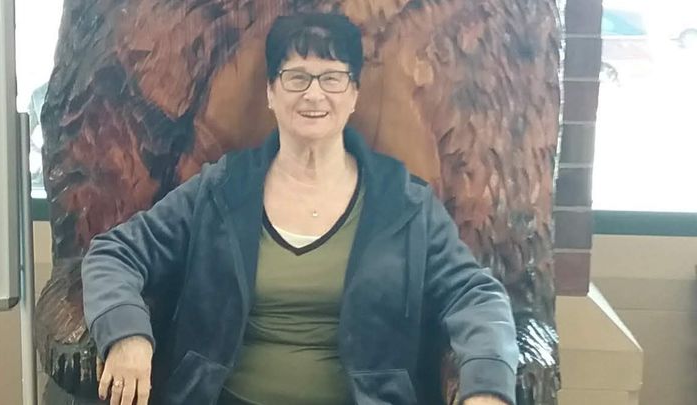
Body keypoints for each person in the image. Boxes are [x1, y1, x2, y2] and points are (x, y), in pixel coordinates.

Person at [82, 12, 518, 405]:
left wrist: (486, 385)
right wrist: (126, 333)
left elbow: (474, 293)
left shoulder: (405, 203)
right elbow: (115, 253)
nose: (314, 94)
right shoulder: (222, 188)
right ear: (271, 92)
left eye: (332, 78)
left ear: (354, 94)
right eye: (296, 78)